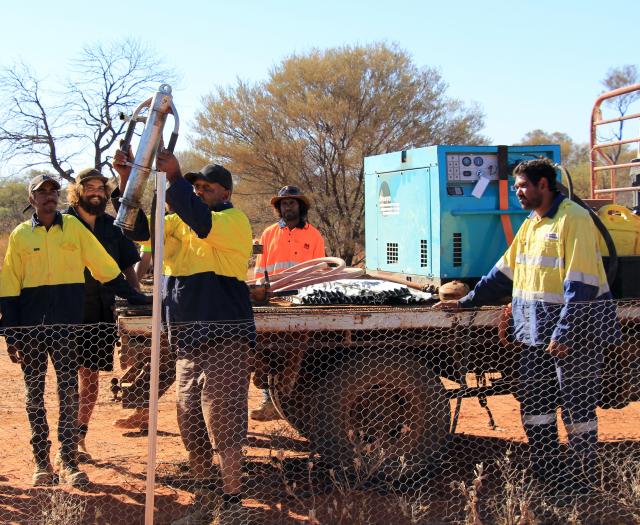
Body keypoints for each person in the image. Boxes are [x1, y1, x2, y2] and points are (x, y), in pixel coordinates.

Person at [435, 158, 621, 496]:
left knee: (577, 407)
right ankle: (548, 473)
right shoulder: (531, 224)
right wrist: (466, 301)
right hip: (536, 332)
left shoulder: (573, 219)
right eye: (517, 187)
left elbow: (582, 282)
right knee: (536, 406)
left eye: (523, 186)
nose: (518, 193)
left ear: (543, 186)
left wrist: (566, 331)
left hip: (574, 332)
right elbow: (502, 273)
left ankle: (582, 481)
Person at [114, 148, 254, 525]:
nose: (199, 191)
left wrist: (176, 178)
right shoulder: (181, 221)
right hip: (187, 341)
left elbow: (200, 221)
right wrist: (130, 181)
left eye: (206, 187)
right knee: (188, 417)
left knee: (223, 419)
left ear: (224, 193)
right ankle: (205, 498)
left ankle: (234, 502)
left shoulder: (232, 220)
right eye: (196, 187)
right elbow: (144, 231)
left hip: (225, 337)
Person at [0, 174, 150, 488]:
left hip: (68, 328)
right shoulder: (20, 236)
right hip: (30, 330)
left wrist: (138, 297)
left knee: (68, 393)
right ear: (32, 200)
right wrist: (11, 332)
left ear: (58, 198)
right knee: (33, 397)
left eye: (52, 192)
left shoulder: (75, 230)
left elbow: (104, 266)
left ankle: (68, 461)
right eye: (41, 193)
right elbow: (10, 284)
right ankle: (42, 462)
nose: (48, 197)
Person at [65, 167, 141, 461]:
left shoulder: (112, 226)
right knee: (66, 379)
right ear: (78, 191)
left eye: (100, 187)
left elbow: (127, 267)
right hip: (67, 312)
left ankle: (78, 437)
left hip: (101, 312)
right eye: (89, 187)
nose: (95, 192)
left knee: (91, 378)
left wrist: (136, 302)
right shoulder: (62, 223)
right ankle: (63, 440)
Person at [251, 186, 325, 421]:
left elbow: (320, 270)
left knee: (295, 352)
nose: (288, 206)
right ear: (279, 208)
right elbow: (260, 266)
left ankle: (287, 405)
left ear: (300, 206)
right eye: (284, 203)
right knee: (267, 349)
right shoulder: (268, 233)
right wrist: (257, 292)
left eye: (292, 203)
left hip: (301, 301)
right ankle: (268, 401)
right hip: (273, 300)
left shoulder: (314, 235)